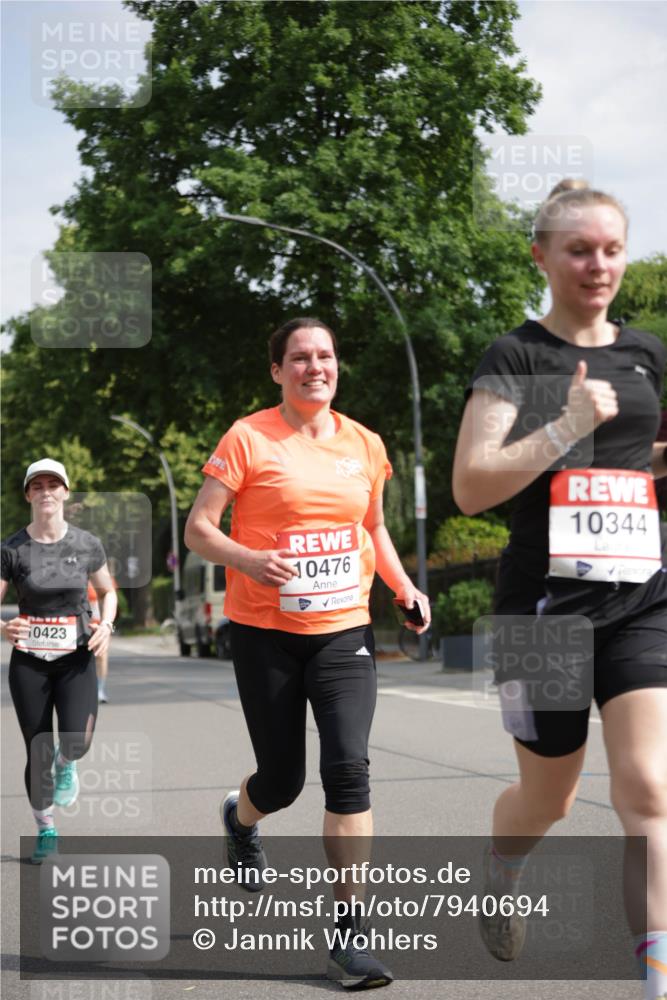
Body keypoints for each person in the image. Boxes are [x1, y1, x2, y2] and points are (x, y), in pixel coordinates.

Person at [452, 180, 667, 999]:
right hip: (541, 610)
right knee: (549, 795)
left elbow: (645, 460)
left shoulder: (645, 352)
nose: (597, 265)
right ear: (540, 256)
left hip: (640, 595)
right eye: (578, 249)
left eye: (611, 249)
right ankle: (500, 871)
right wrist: (564, 424)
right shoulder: (515, 357)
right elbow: (472, 487)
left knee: (647, 788)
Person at [185, 317, 429, 990]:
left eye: (323, 355)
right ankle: (240, 817)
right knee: (283, 780)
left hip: (344, 630)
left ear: (335, 366)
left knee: (348, 769)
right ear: (277, 371)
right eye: (298, 357)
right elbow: (199, 529)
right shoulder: (247, 436)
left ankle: (349, 937)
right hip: (264, 632)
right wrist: (249, 559)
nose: (313, 366)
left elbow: (371, 525)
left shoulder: (365, 443)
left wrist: (403, 586)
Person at [0, 459, 117, 863]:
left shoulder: (86, 543)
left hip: (76, 658)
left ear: (65, 492)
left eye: (54, 484)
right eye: (38, 485)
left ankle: (68, 763)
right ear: (28, 494)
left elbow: (108, 591)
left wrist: (108, 623)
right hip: (30, 661)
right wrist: (3, 628)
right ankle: (46, 829)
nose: (46, 491)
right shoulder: (12, 549)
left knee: (77, 742)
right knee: (37, 753)